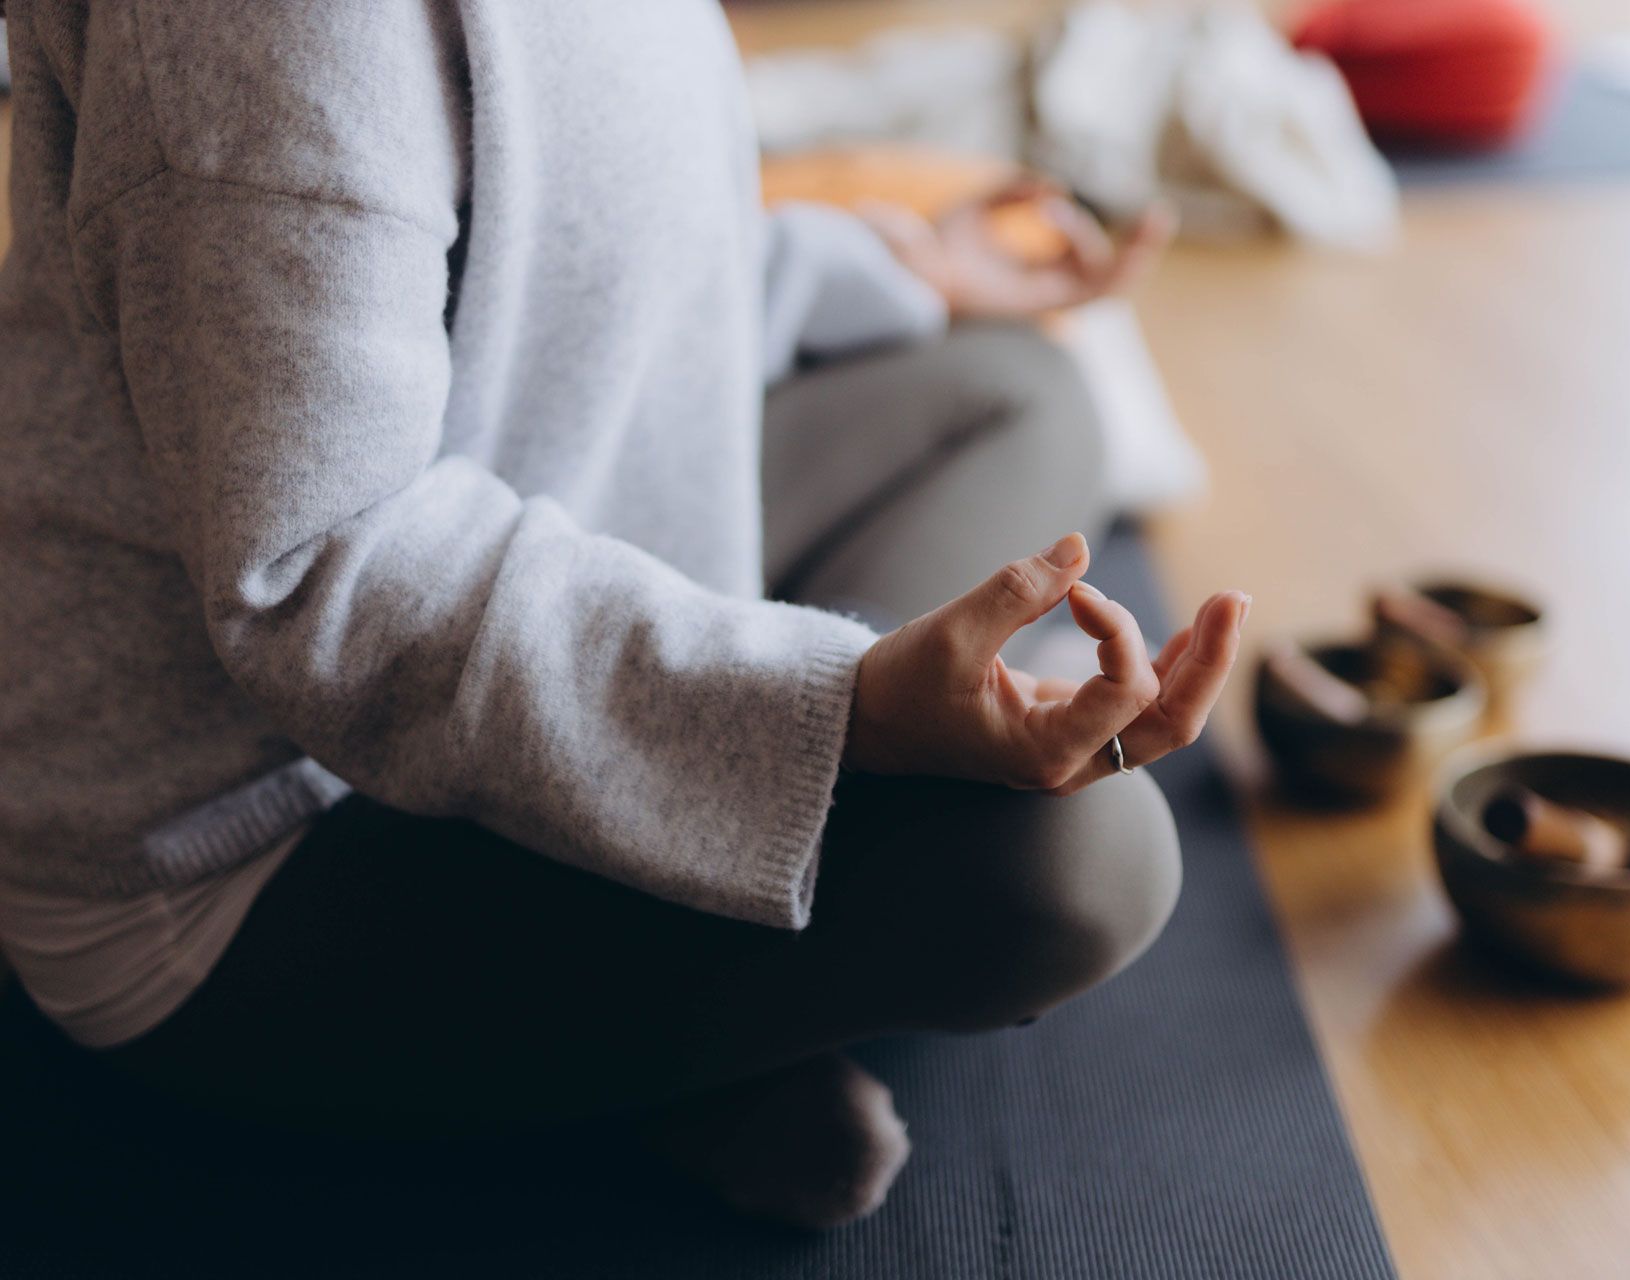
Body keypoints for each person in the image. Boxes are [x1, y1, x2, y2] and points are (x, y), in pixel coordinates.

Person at [0, 0, 1248, 1228]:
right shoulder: (267, 27)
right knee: (1079, 864)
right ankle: (700, 981)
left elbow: (612, 253)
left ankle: (709, 926)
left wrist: (899, 270)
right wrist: (841, 710)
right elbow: (327, 573)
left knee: (1014, 393)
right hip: (246, 835)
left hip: (534, 526)